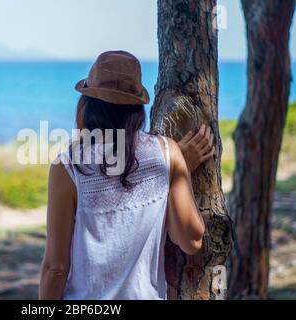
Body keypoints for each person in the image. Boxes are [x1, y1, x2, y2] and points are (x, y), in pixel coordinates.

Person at [38, 51, 214, 300]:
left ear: (87, 106)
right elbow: (190, 240)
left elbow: (55, 268)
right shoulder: (167, 153)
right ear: (137, 109)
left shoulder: (68, 167)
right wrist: (177, 170)